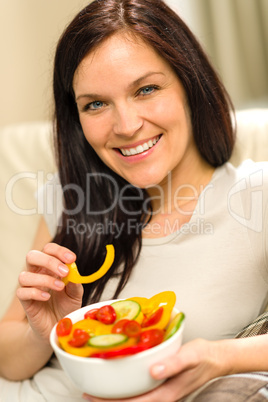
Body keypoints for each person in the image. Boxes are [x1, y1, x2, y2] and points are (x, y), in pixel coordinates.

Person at [0, 0, 268, 401]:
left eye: (146, 89)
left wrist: (220, 357)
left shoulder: (255, 196)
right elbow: (9, 360)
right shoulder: (70, 195)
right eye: (96, 104)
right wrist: (47, 331)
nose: (125, 127)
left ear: (189, 86)